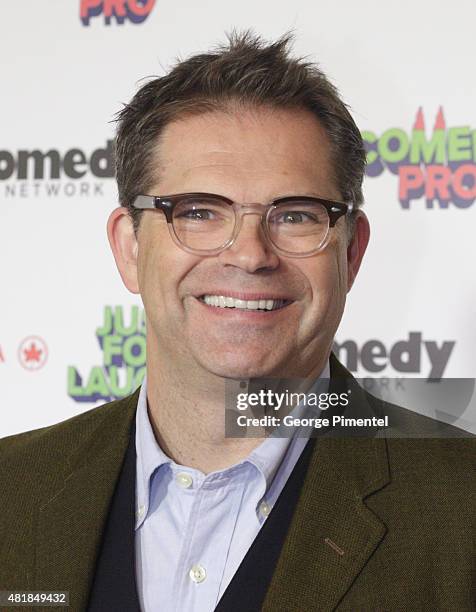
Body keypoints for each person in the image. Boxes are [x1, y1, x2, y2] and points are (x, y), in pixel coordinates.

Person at [1, 32, 474, 612]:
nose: (249, 254)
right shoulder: (11, 489)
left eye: (295, 215)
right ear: (129, 247)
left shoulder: (464, 507)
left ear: (350, 254)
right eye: (198, 212)